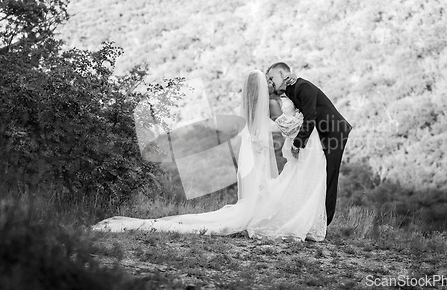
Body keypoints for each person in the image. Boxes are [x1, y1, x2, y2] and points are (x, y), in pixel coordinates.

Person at [93, 70, 327, 241]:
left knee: (257, 190)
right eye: (266, 81)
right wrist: (300, 117)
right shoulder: (271, 105)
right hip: (258, 151)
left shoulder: (253, 104)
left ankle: (253, 211)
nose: (270, 84)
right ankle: (256, 215)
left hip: (250, 149)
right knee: (263, 189)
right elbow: (286, 127)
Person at [266, 62, 352, 226]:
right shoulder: (289, 89)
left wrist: (298, 143)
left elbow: (310, 116)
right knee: (317, 173)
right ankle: (312, 218)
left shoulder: (303, 86)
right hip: (321, 134)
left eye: (272, 77)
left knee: (329, 174)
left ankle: (324, 222)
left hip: (334, 132)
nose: (270, 81)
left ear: (283, 74)